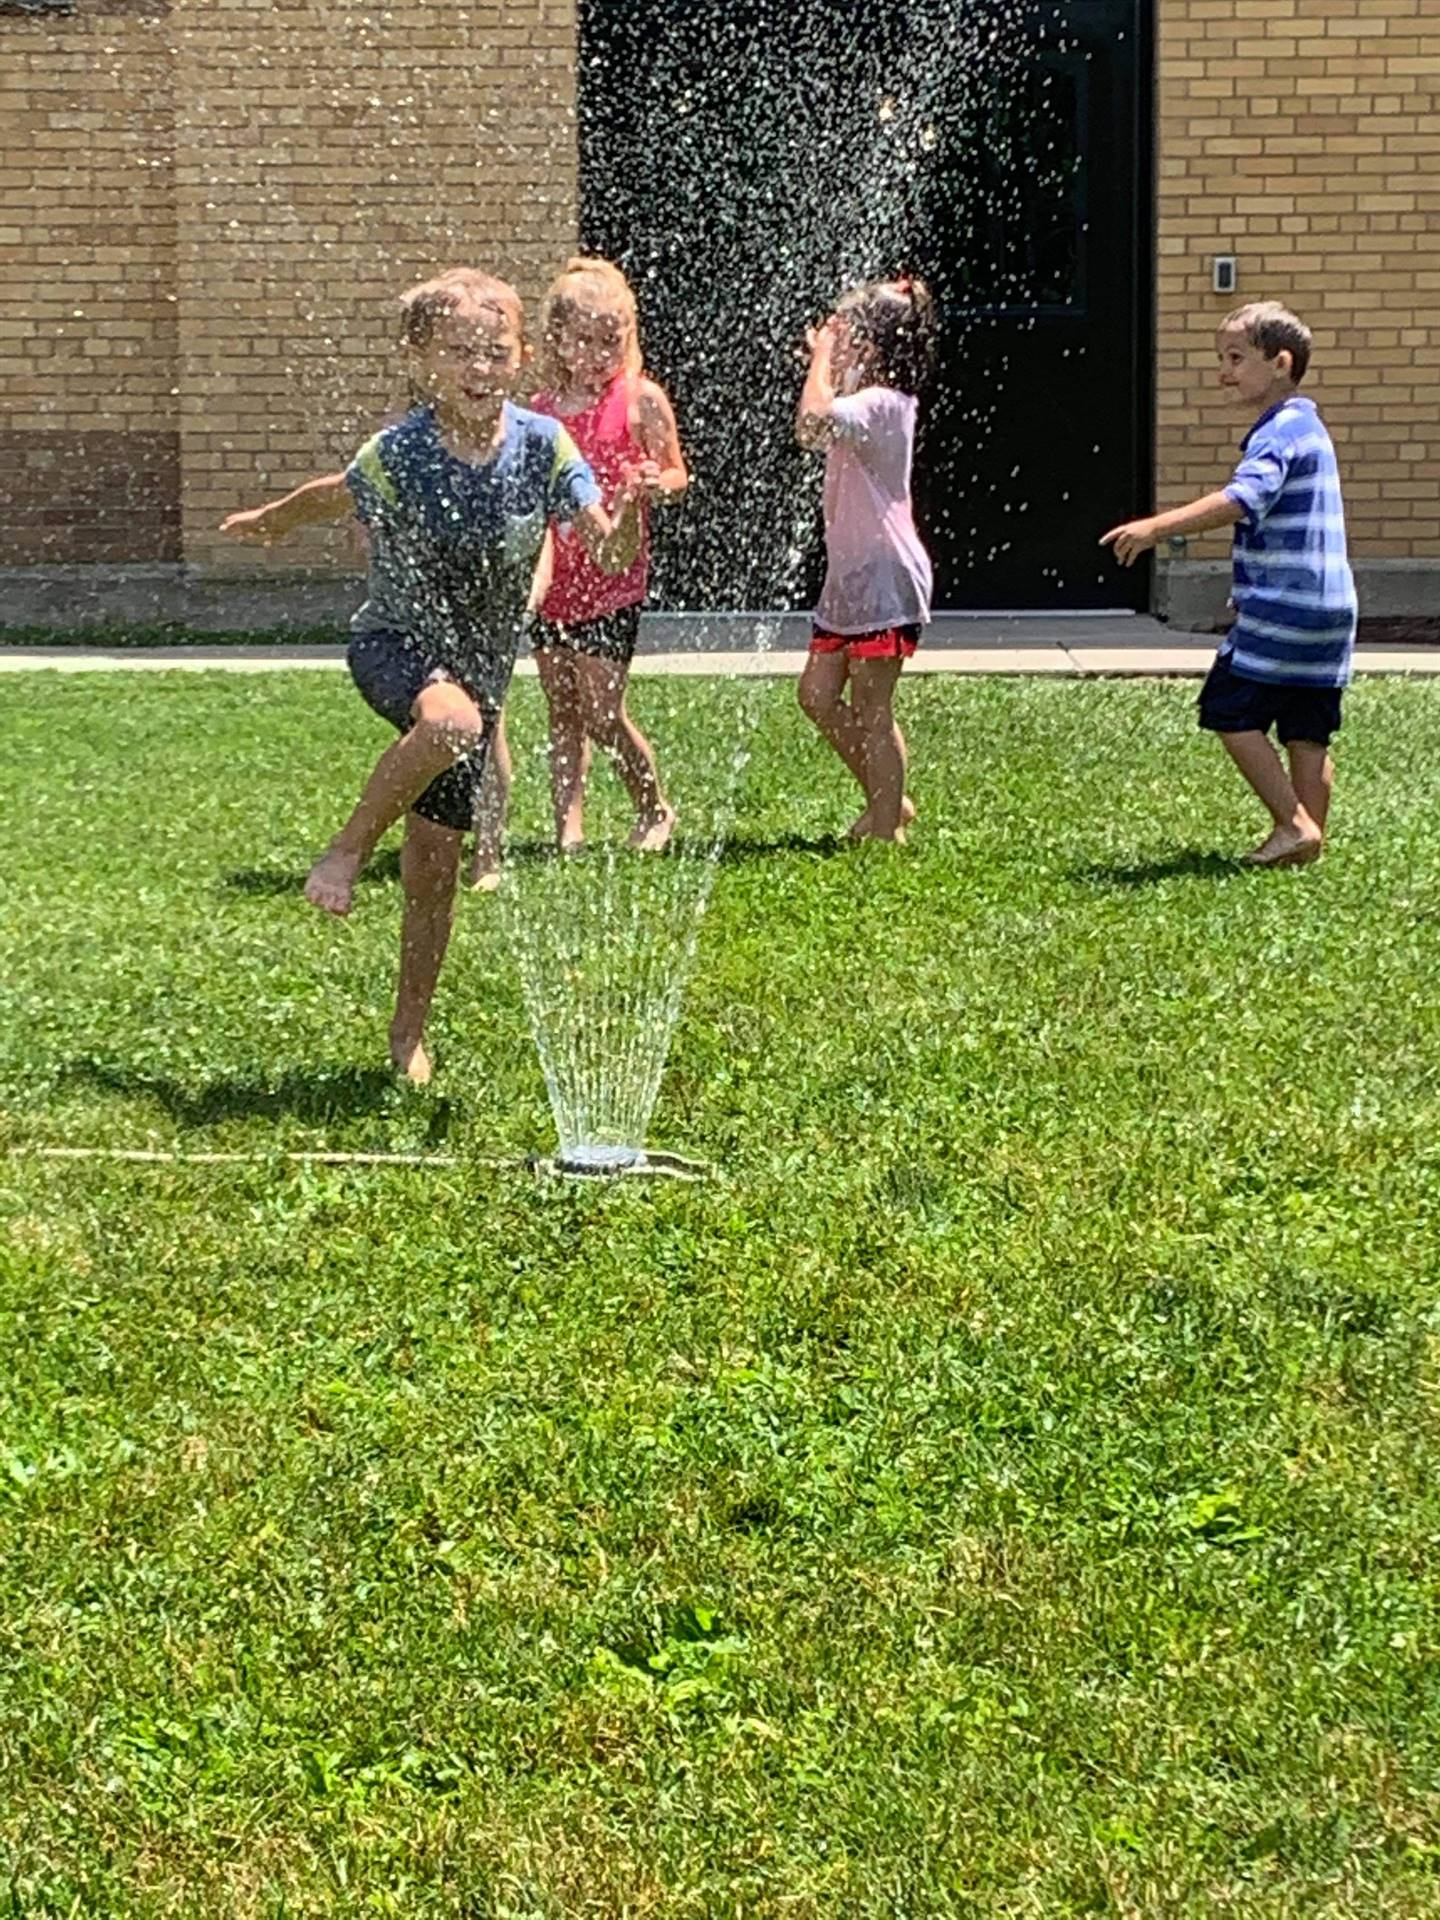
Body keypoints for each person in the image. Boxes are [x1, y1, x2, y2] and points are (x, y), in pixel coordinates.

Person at [220, 268, 643, 1083]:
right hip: (394, 646)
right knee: (450, 725)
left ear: (521, 357)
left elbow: (604, 543)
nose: (481, 369)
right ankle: (342, 853)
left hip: (477, 677)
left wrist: (624, 519)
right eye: (460, 353)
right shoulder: (401, 453)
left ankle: (408, 1032)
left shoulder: (545, 447)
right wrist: (273, 521)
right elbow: (331, 496)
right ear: (423, 360)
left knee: (433, 871)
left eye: (496, 352)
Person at [1102, 301, 1357, 868]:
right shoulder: (1310, 425)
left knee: (1229, 710)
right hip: (1332, 608)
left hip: (1283, 607)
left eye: (1236, 358)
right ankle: (1308, 842)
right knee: (1307, 729)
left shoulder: (1277, 433)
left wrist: (1155, 528)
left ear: (1281, 362)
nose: (1224, 371)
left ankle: (1292, 826)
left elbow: (1243, 500)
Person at [517, 254, 687, 864]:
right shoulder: (536, 414)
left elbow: (677, 474)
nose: (597, 354)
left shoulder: (640, 401)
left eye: (610, 341)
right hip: (555, 579)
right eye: (583, 341)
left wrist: (651, 482)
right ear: (556, 340)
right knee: (561, 707)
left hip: (614, 579)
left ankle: (653, 806)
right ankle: (569, 826)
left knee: (602, 711)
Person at [794, 276, 937, 843]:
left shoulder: (883, 404)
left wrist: (822, 358)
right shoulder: (863, 393)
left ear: (870, 347)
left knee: (873, 707)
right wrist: (826, 354)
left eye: (844, 329)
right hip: (850, 578)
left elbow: (810, 423)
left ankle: (884, 832)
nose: (833, 335)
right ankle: (890, 800)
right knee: (817, 695)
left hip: (885, 577)